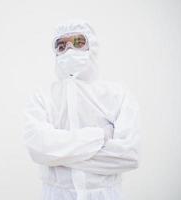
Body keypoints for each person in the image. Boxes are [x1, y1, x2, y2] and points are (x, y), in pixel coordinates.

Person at [22, 20, 141, 200]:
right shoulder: (43, 97)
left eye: (78, 42)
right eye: (61, 45)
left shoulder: (117, 95)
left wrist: (59, 156)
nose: (69, 50)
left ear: (92, 46)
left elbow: (129, 155)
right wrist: (100, 136)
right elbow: (38, 149)